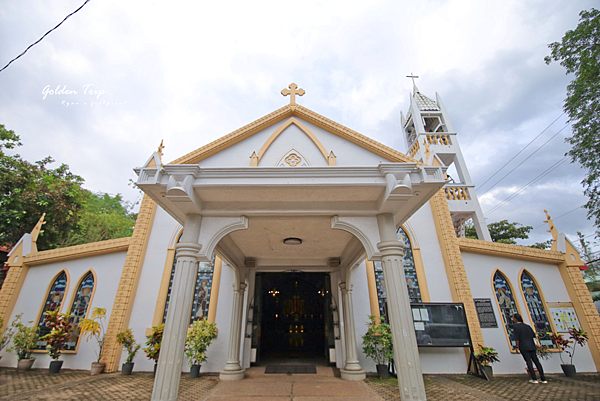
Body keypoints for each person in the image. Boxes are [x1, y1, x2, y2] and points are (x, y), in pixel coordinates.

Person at [512, 313, 547, 384]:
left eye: (513, 318)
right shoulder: (527, 326)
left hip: (524, 346)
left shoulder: (516, 327)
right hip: (531, 345)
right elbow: (533, 335)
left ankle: (534, 378)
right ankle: (543, 378)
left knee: (528, 362)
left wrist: (517, 347)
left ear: (515, 319)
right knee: (536, 361)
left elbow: (517, 338)